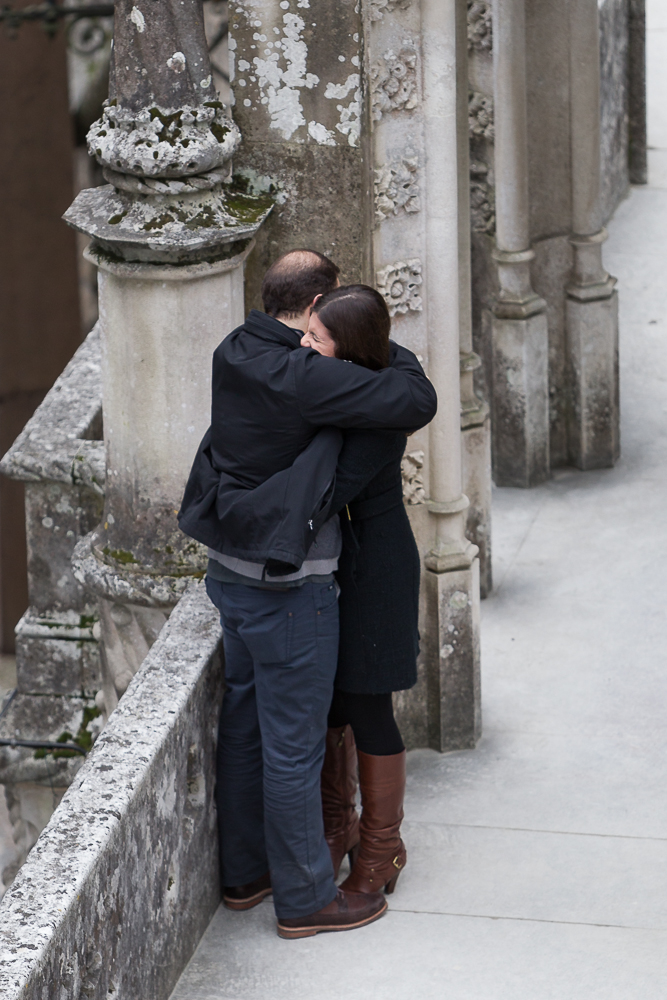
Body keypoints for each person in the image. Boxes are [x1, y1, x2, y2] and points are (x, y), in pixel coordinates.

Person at [178, 250, 437, 939]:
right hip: (287, 588)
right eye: (319, 325)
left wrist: (355, 340)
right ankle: (304, 899)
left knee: (244, 726)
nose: (311, 342)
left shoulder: (236, 349)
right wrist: (378, 347)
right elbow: (417, 398)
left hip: (229, 574)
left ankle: (246, 876)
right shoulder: (311, 377)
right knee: (292, 746)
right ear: (316, 306)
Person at [300, 286, 420, 895]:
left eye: (315, 337)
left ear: (348, 350)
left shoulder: (379, 411)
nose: (302, 344)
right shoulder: (355, 379)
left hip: (377, 564)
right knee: (332, 702)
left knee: (368, 703)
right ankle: (336, 826)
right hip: (346, 561)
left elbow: (326, 495)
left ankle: (381, 849)